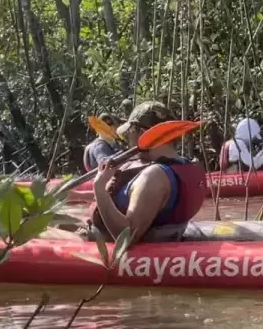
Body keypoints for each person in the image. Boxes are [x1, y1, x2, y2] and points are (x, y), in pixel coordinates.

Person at [85, 101, 208, 244]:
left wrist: (99, 190)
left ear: (142, 133)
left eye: (130, 131)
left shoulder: (153, 177)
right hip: (167, 237)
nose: (128, 138)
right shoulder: (185, 164)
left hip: (122, 248)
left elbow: (128, 237)